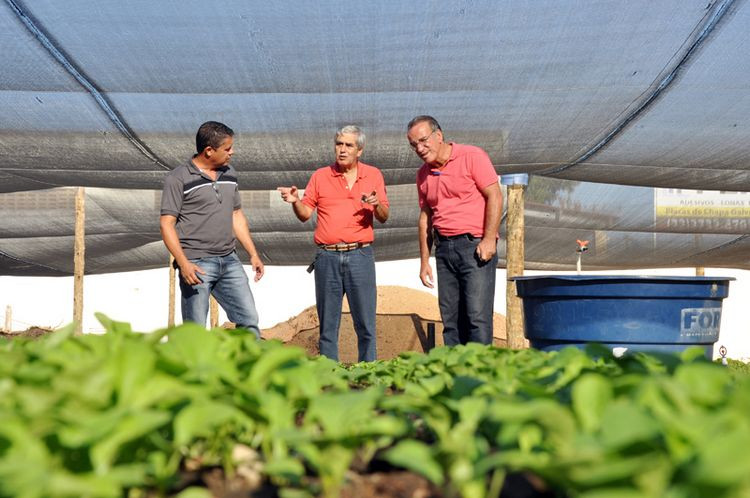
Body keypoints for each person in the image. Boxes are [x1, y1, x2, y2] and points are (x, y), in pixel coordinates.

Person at [277, 125, 389, 362]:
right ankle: (330, 378)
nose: (342, 149)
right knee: (327, 326)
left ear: (359, 150)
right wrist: (295, 200)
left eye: (348, 145)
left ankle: (369, 375)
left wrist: (376, 203)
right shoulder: (321, 176)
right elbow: (305, 213)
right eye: (339, 144)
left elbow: (384, 215)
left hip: (360, 256)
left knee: (366, 324)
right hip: (327, 257)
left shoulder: (373, 175)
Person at [160, 121, 264, 337]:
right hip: (196, 265)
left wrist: (253, 254)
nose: (232, 152)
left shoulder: (230, 174)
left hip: (229, 260)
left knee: (249, 321)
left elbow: (236, 214)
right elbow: (167, 223)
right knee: (196, 331)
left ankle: (247, 369)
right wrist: (183, 262)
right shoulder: (178, 178)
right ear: (209, 150)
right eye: (227, 149)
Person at [406, 115, 502, 345]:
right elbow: (425, 217)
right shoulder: (423, 174)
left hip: (474, 247)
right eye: (413, 144)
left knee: (476, 317)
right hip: (444, 250)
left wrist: (489, 239)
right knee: (450, 319)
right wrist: (424, 260)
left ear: (438, 135)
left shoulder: (472, 156)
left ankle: (480, 377)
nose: (419, 148)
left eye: (423, 140)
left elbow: (495, 195)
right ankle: (455, 376)